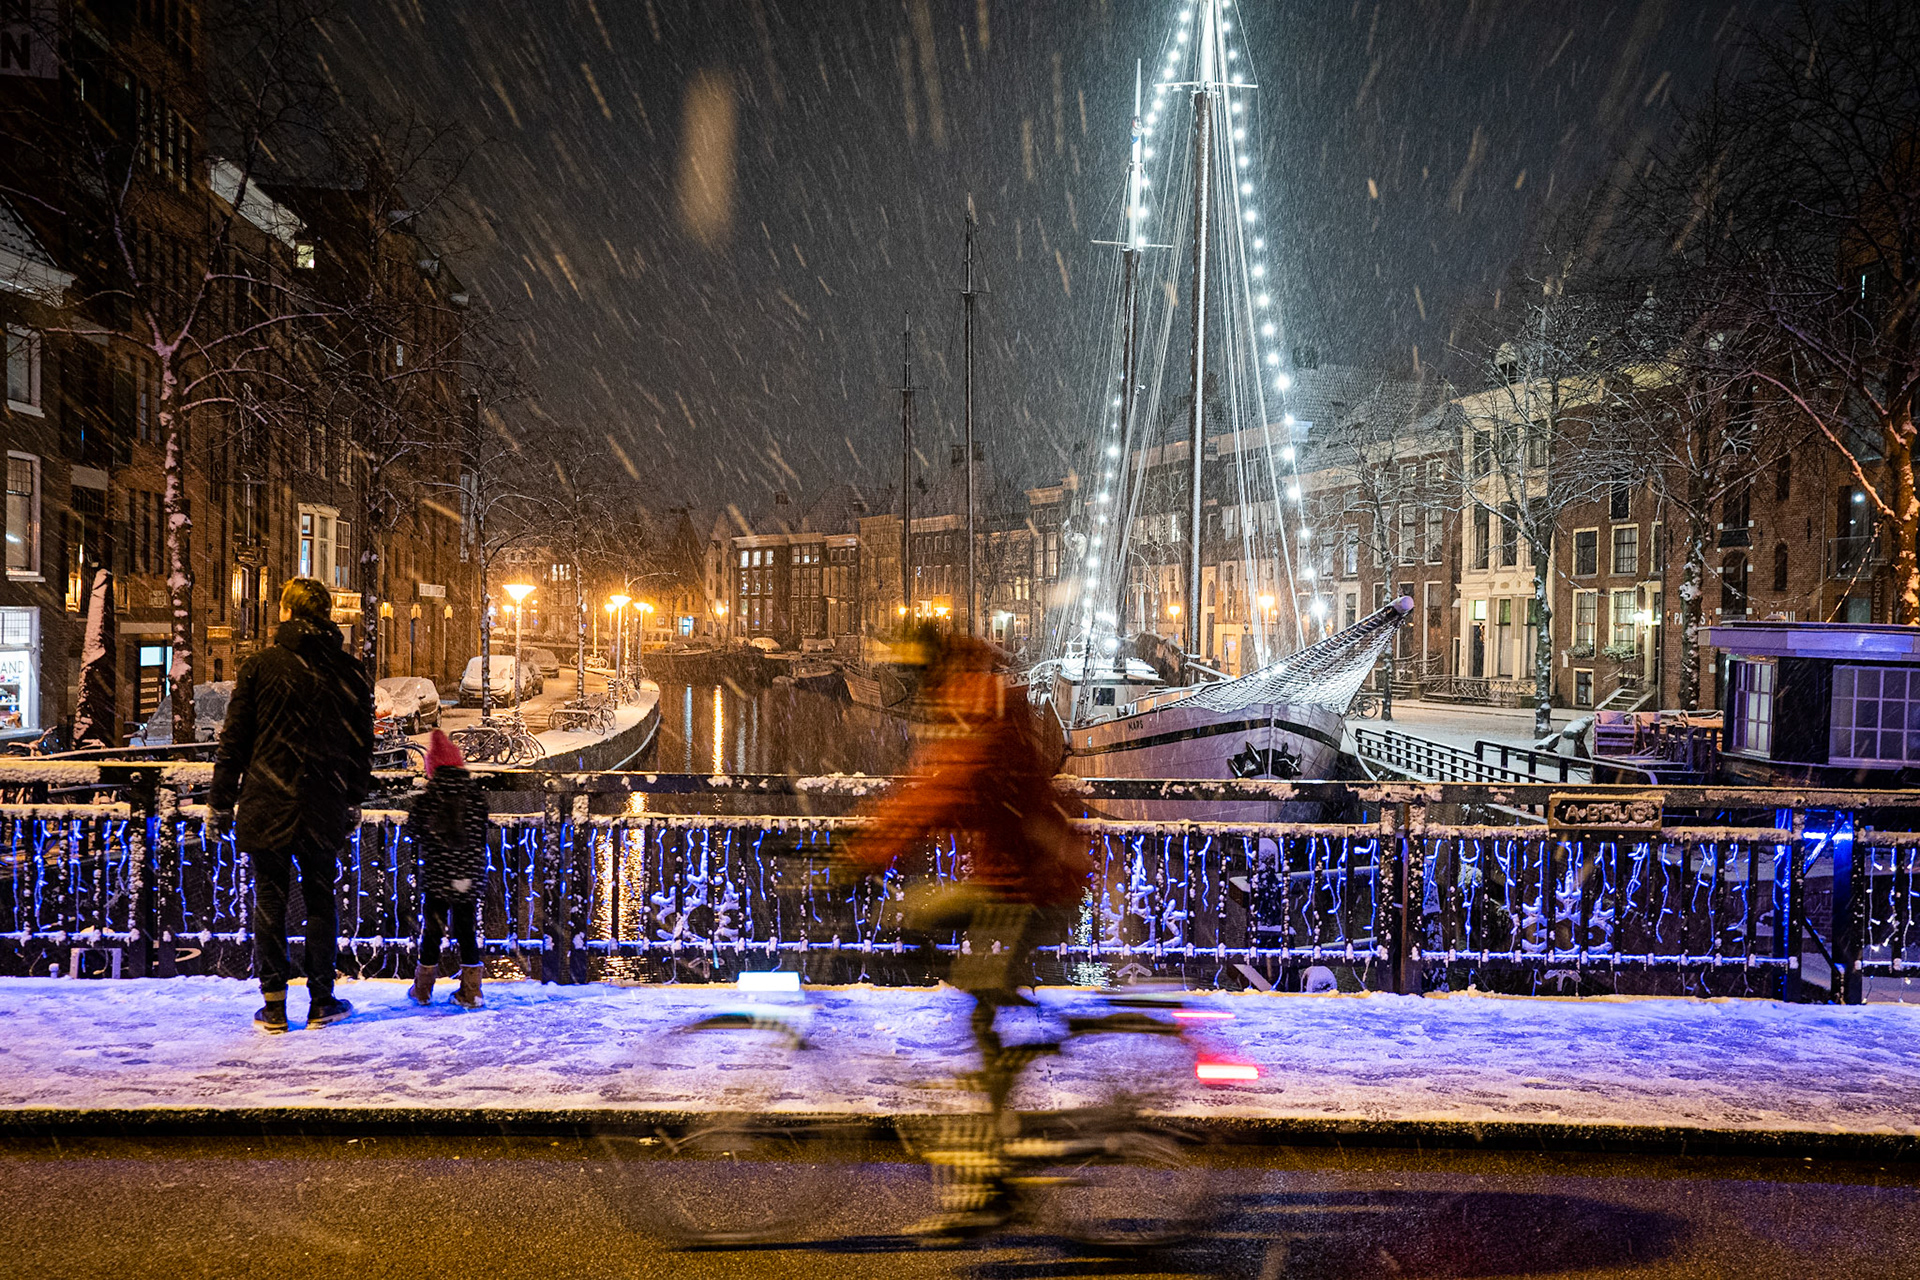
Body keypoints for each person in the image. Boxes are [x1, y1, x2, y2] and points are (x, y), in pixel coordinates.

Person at [847, 635, 1092, 1234]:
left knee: (979, 986)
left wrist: (855, 855)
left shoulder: (976, 714)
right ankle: (998, 1129)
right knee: (958, 966)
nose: (918, 691)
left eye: (920, 677)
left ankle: (996, 1169)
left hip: (1030, 885)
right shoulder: (984, 706)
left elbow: (938, 792)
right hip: (1020, 875)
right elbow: (942, 792)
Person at [211, 577, 374, 1033]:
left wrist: (221, 801)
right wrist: (353, 797)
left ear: (286, 612)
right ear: (327, 615)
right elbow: (362, 746)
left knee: (270, 900)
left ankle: (274, 1004)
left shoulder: (260, 667)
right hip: (324, 800)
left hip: (268, 799)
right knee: (321, 898)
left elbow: (234, 741)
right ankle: (321, 999)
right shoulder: (349, 671)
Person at [409, 730, 490, 1009]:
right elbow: (480, 832)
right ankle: (472, 991)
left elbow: (414, 829)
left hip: (438, 877)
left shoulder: (430, 797)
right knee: (466, 930)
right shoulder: (475, 796)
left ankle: (423, 989)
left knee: (432, 931)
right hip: (467, 875)